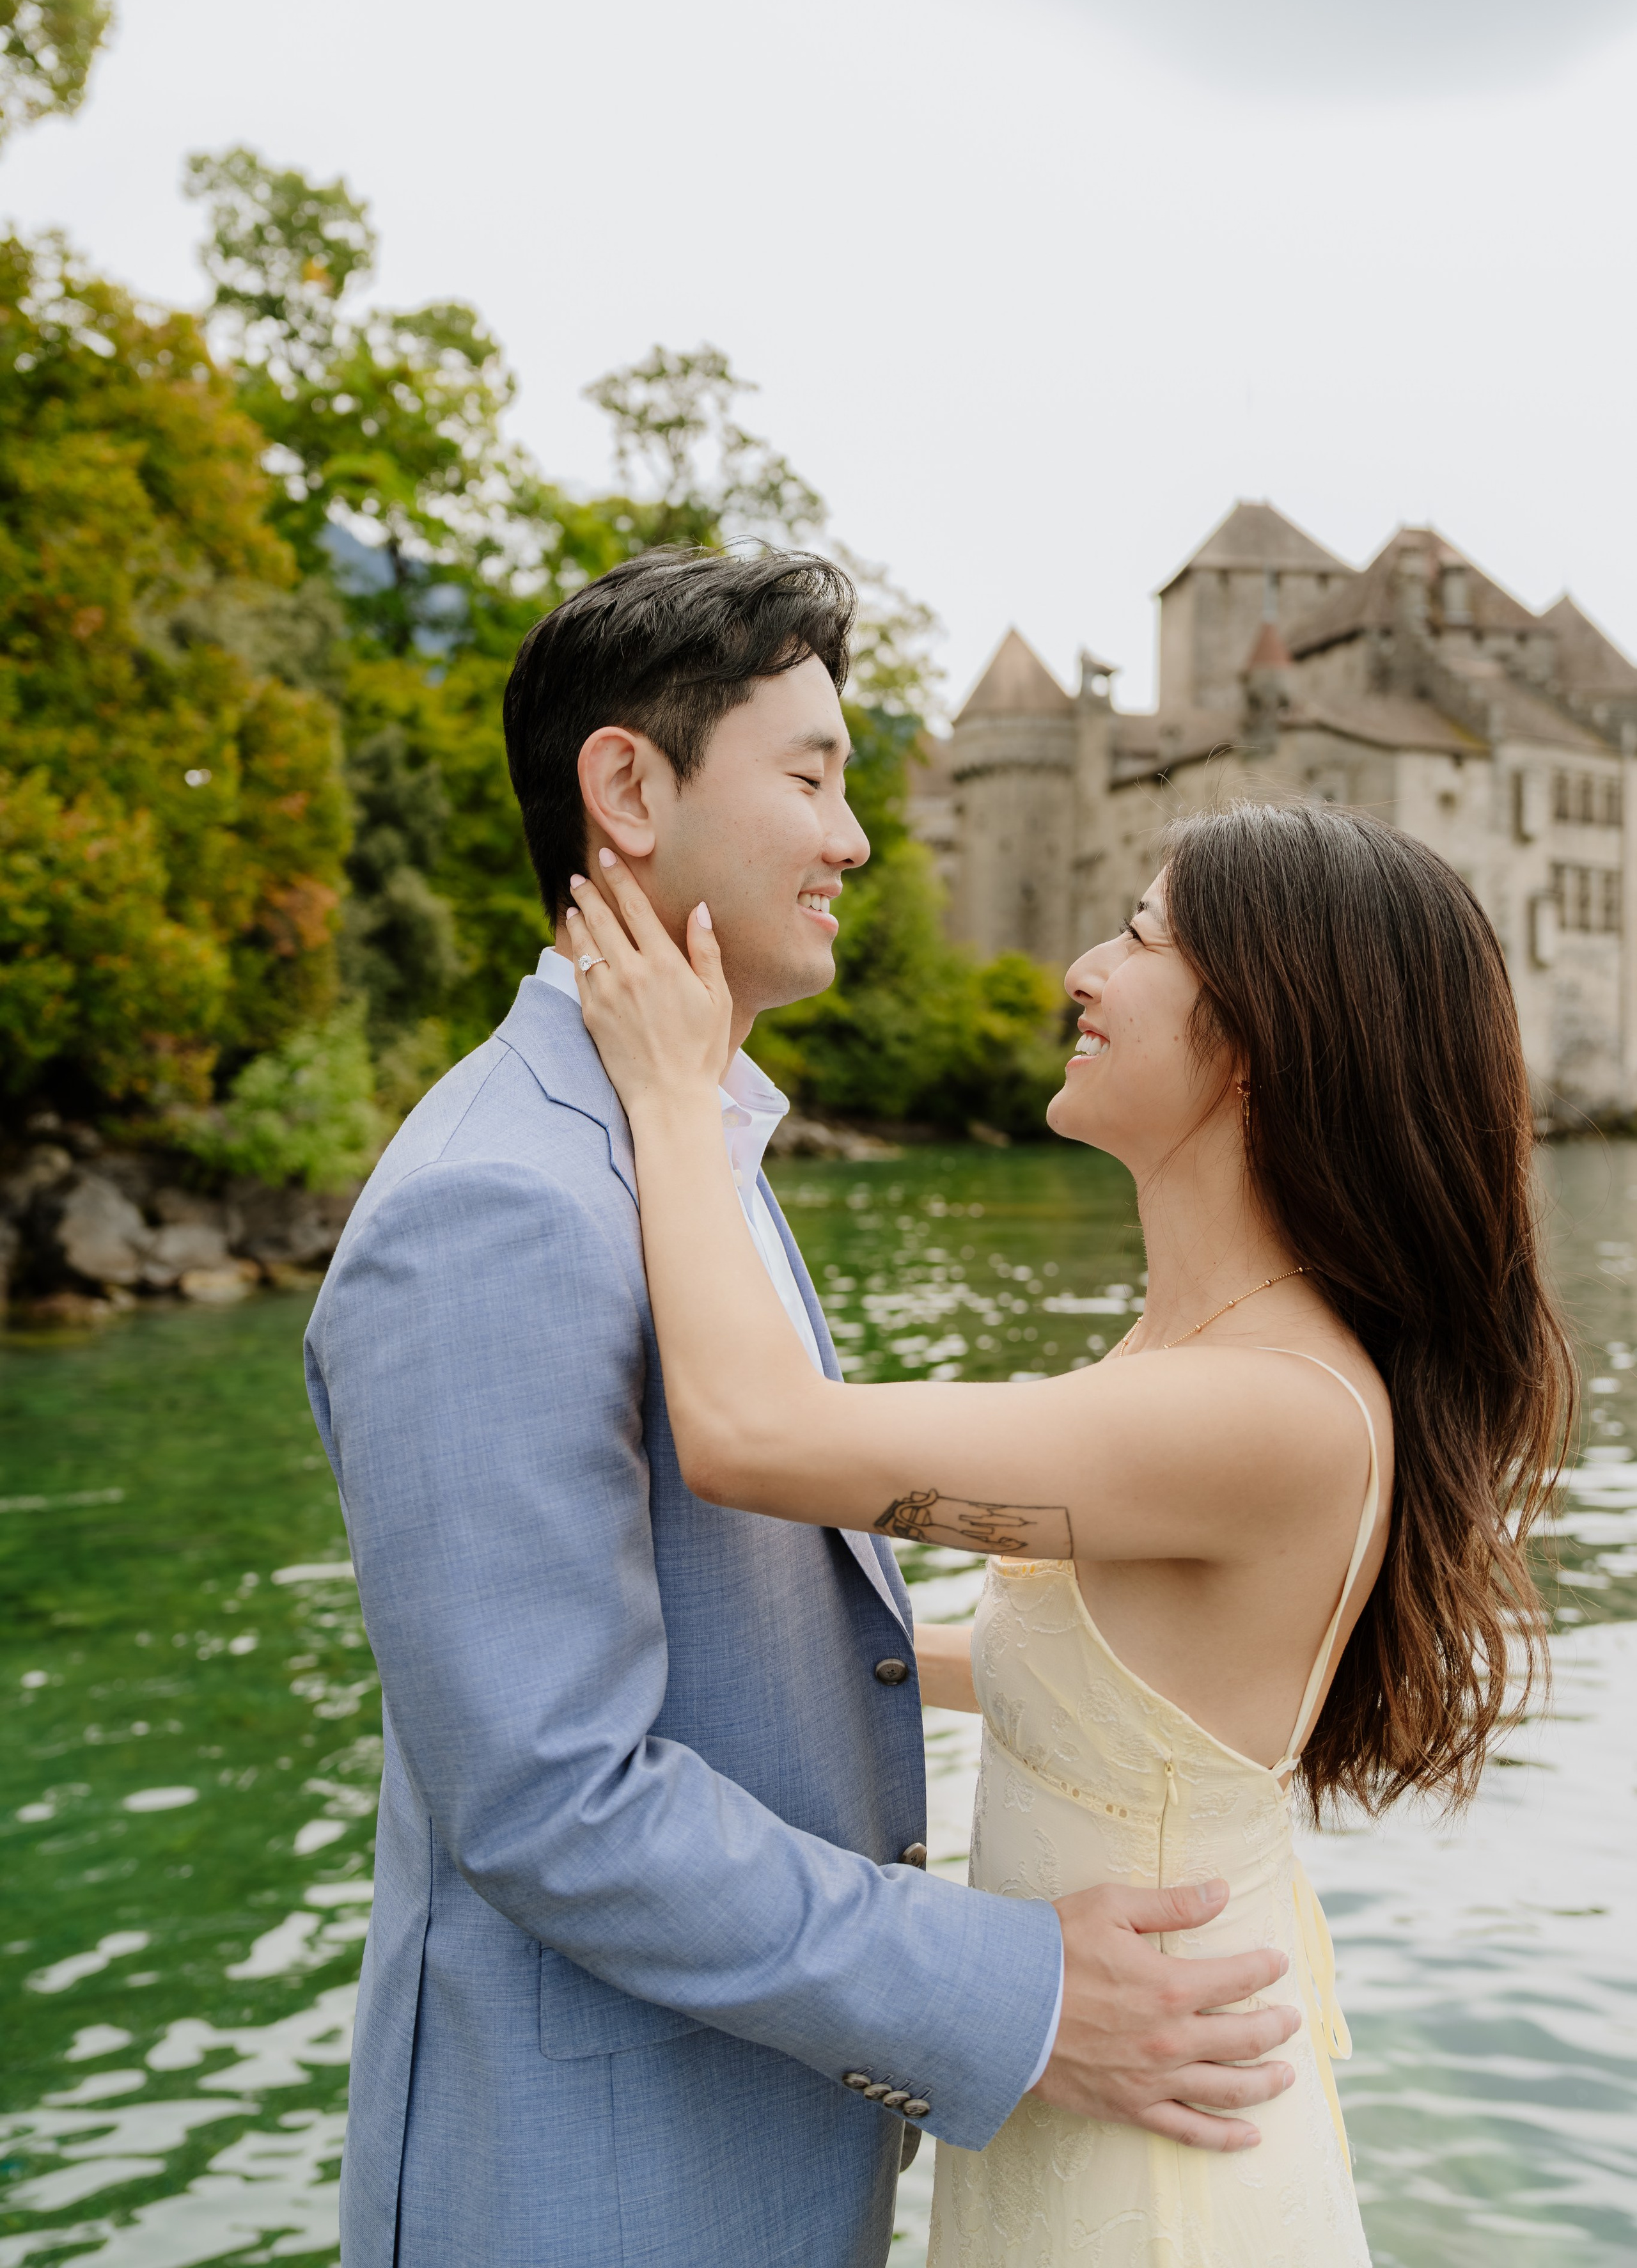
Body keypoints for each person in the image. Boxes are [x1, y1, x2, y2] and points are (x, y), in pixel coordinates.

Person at [304, 547, 1304, 2268]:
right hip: (594, 2197)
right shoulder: (501, 1202)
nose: (856, 838)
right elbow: (552, 1800)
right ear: (627, 788)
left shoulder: (679, 1135)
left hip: (757, 2153)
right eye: (813, 776)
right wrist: (1016, 1991)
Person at [566, 792, 1574, 2268]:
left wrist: (672, 1094)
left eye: (1140, 936)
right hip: (1101, 2084)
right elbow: (1089, 1676)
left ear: (1260, 1036)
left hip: (1153, 2183)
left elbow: (749, 1435)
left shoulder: (1267, 1404)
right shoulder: (1194, 1355)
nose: (1080, 971)